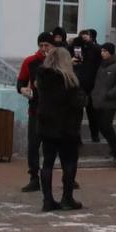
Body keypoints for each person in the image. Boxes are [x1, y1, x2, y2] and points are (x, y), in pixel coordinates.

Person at [36, 47, 85, 212]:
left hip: (47, 125)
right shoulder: (69, 80)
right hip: (67, 127)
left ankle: (47, 200)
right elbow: (78, 102)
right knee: (69, 162)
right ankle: (67, 198)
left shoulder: (42, 78)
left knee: (47, 163)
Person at [17, 32, 54, 192]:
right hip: (36, 110)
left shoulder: (57, 62)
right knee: (33, 145)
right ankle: (34, 177)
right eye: (41, 45)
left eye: (47, 45)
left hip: (54, 111)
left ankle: (63, 177)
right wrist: (24, 89)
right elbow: (20, 83)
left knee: (53, 146)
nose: (44, 49)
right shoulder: (30, 61)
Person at [91, 43, 116, 164]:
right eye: (102, 51)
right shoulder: (102, 65)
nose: (102, 53)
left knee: (106, 125)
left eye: (105, 51)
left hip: (111, 102)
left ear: (110, 52)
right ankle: (113, 150)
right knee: (102, 127)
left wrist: (109, 94)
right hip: (100, 101)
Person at [71, 29, 102, 143]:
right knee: (77, 115)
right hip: (78, 87)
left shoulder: (95, 48)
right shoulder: (75, 47)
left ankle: (95, 135)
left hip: (91, 86)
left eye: (86, 36)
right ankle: (77, 138)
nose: (84, 38)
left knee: (93, 114)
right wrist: (76, 43)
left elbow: (99, 55)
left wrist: (89, 43)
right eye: (82, 36)